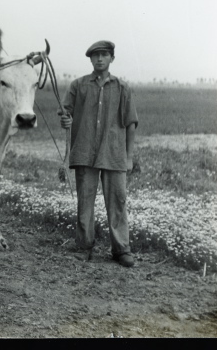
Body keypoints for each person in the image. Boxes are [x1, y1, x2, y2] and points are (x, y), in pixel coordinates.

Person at [59, 40, 138, 267]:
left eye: (104, 55)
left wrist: (129, 156)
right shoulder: (78, 86)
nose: (100, 59)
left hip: (114, 154)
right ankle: (84, 246)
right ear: (90, 60)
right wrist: (66, 119)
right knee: (85, 201)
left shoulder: (123, 88)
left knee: (118, 201)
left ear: (112, 58)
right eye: (96, 56)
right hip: (85, 152)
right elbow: (66, 113)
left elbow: (131, 123)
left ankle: (121, 249)